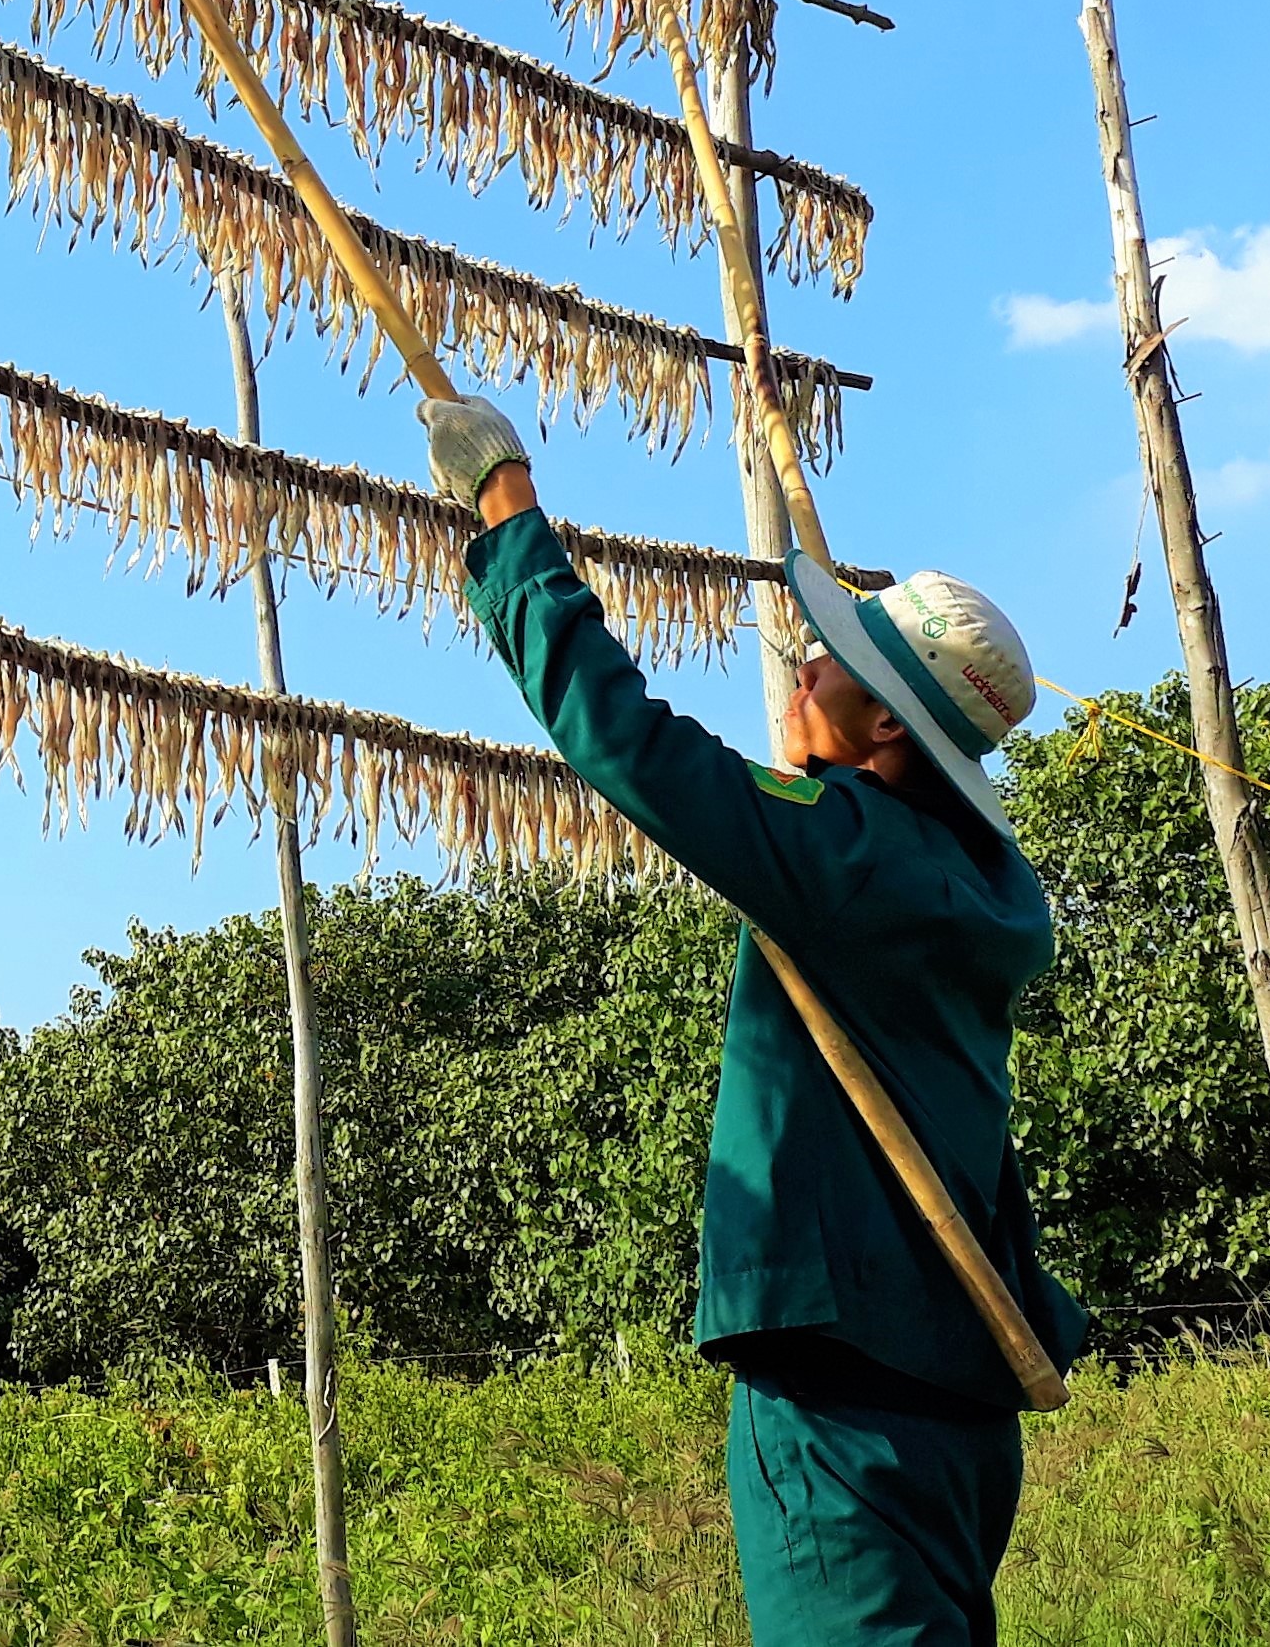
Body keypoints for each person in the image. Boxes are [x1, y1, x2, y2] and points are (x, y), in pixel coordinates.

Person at [420, 389, 1086, 1647]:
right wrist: (831, 740)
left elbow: (623, 736)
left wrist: (503, 504)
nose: (804, 660)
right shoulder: (979, 884)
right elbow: (836, 792)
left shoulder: (848, 865)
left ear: (888, 725)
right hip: (955, 1405)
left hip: (843, 1405)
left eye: (835, 660)